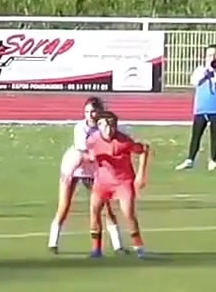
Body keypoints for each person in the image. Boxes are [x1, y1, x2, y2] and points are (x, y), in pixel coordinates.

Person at [50, 95, 126, 254]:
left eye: (93, 111)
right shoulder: (80, 128)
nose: (90, 115)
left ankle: (118, 246)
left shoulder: (106, 127)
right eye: (86, 112)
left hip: (93, 171)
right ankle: (53, 243)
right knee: (64, 205)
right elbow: (83, 154)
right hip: (74, 167)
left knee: (106, 209)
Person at [81, 112, 150, 259]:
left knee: (128, 214)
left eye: (112, 125)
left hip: (123, 182)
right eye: (105, 125)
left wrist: (141, 175)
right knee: (94, 211)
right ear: (99, 126)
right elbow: (85, 155)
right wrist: (89, 158)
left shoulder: (124, 141)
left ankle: (139, 248)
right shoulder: (92, 140)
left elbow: (144, 149)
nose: (109, 129)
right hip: (102, 182)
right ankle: (96, 249)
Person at [179, 43, 216, 170]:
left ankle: (213, 160)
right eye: (209, 55)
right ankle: (190, 159)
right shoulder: (201, 69)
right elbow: (194, 82)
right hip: (202, 106)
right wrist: (205, 72)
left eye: (214, 55)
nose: (212, 58)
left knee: (215, 134)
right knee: (196, 134)